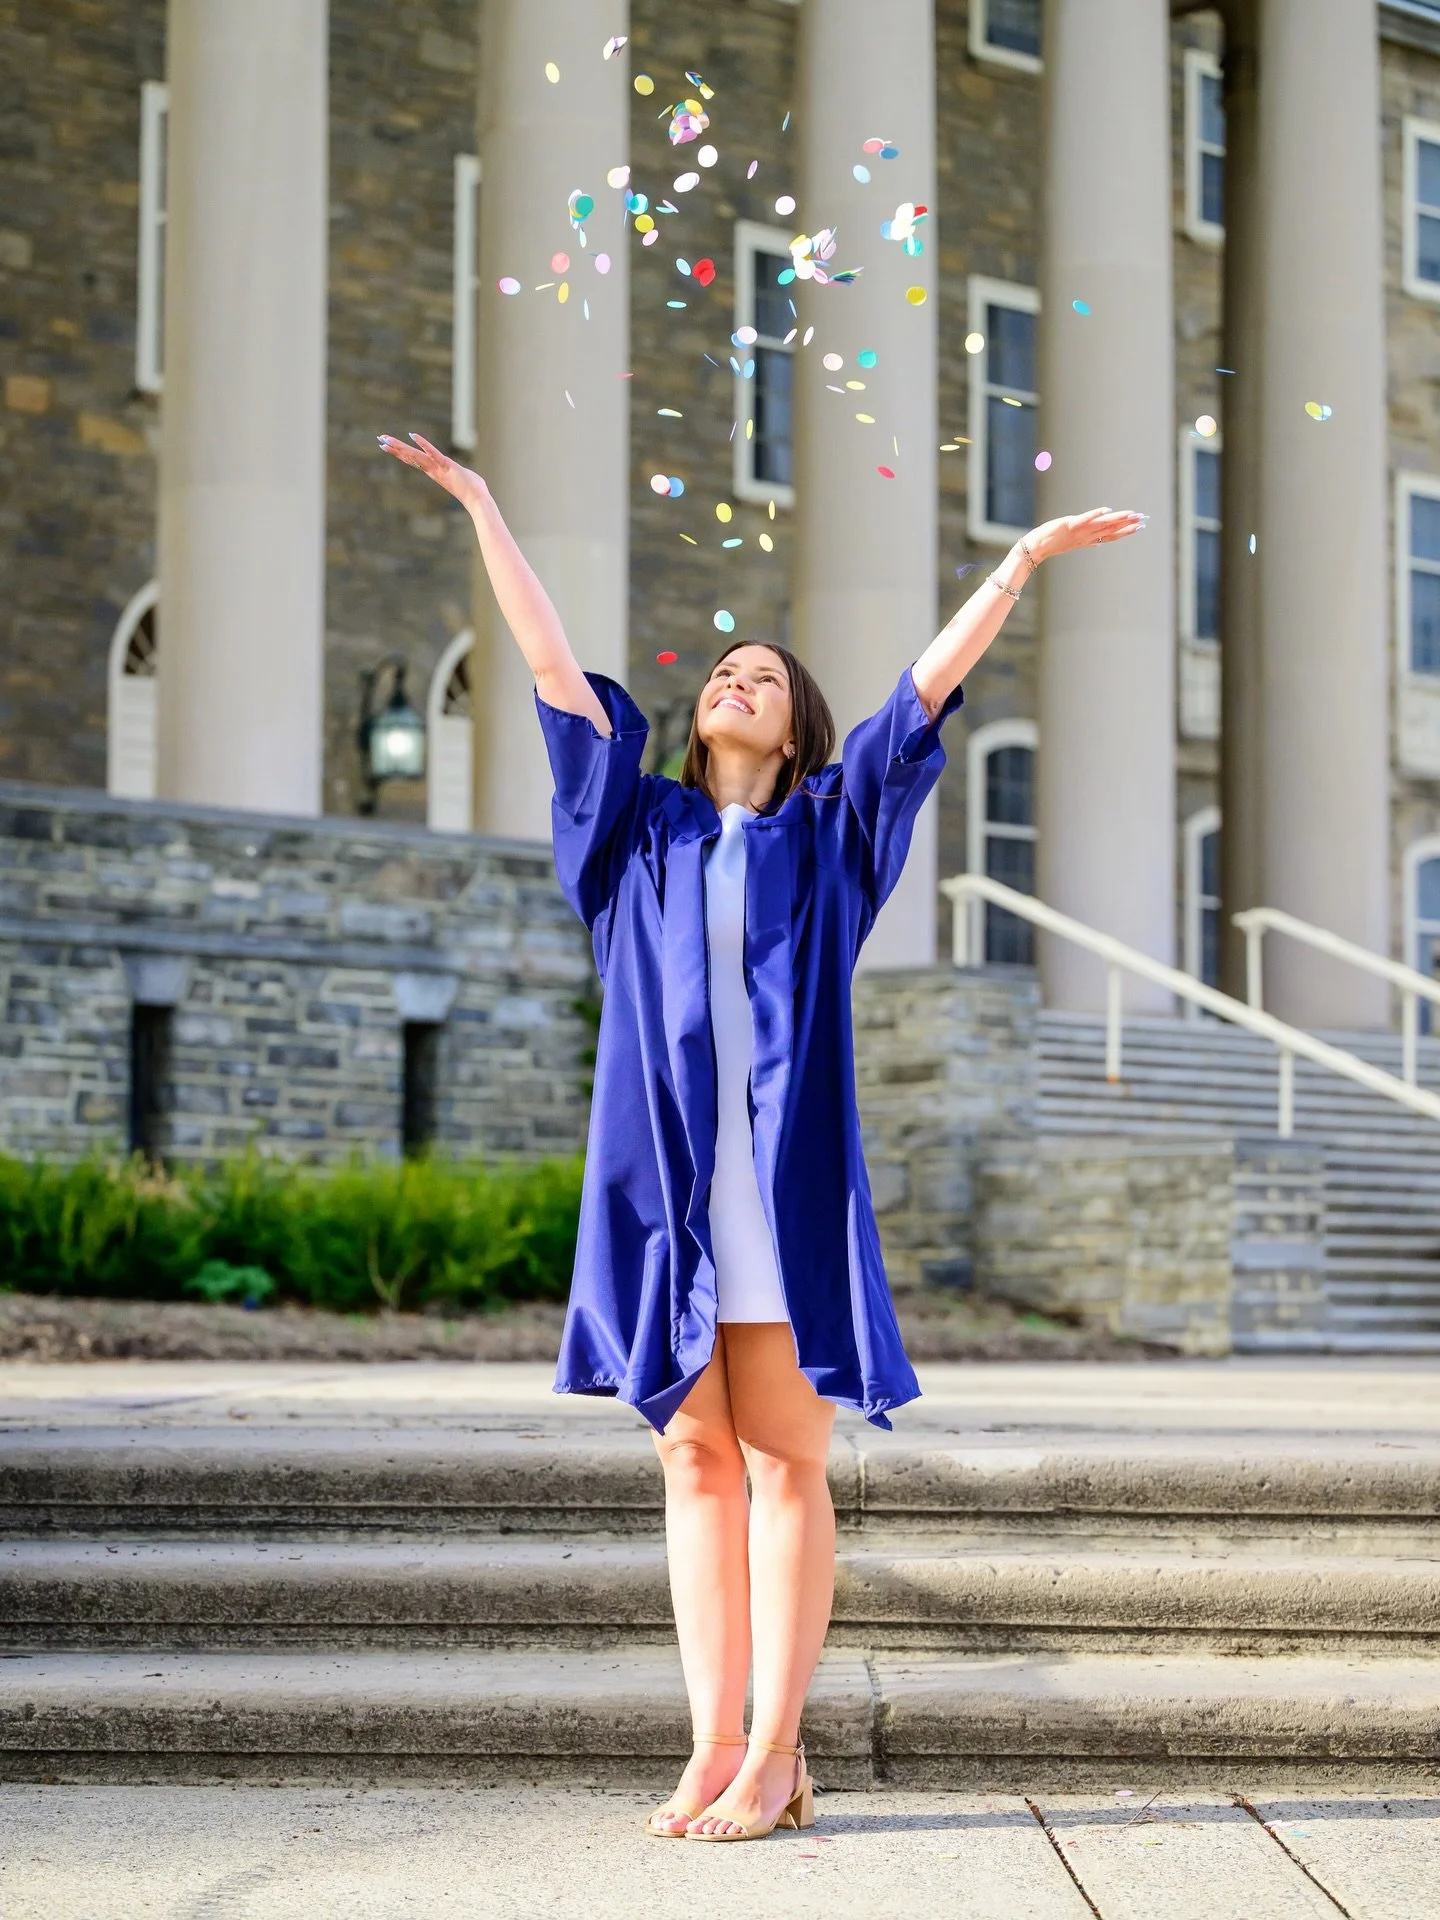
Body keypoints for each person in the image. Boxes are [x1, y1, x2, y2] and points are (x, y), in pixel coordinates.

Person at [379, 427, 1142, 1842]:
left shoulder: (833, 838)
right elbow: (551, 673)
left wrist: (1022, 564)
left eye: (765, 681)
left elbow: (922, 696)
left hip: (779, 1196)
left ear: (793, 734)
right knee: (690, 1457)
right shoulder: (637, 835)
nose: (735, 679)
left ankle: (779, 1752)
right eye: (724, 672)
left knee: (787, 1457)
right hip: (670, 1192)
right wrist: (484, 503)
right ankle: (708, 1747)